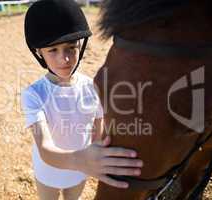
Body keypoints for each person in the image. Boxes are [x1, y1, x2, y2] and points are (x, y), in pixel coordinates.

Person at [21, 0, 143, 199]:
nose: (65, 59)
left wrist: (99, 154)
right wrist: (83, 160)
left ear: (81, 45)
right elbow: (45, 149)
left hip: (81, 169)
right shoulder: (33, 94)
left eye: (71, 47)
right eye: (53, 50)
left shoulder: (93, 87)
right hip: (49, 170)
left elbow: (98, 129)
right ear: (39, 52)